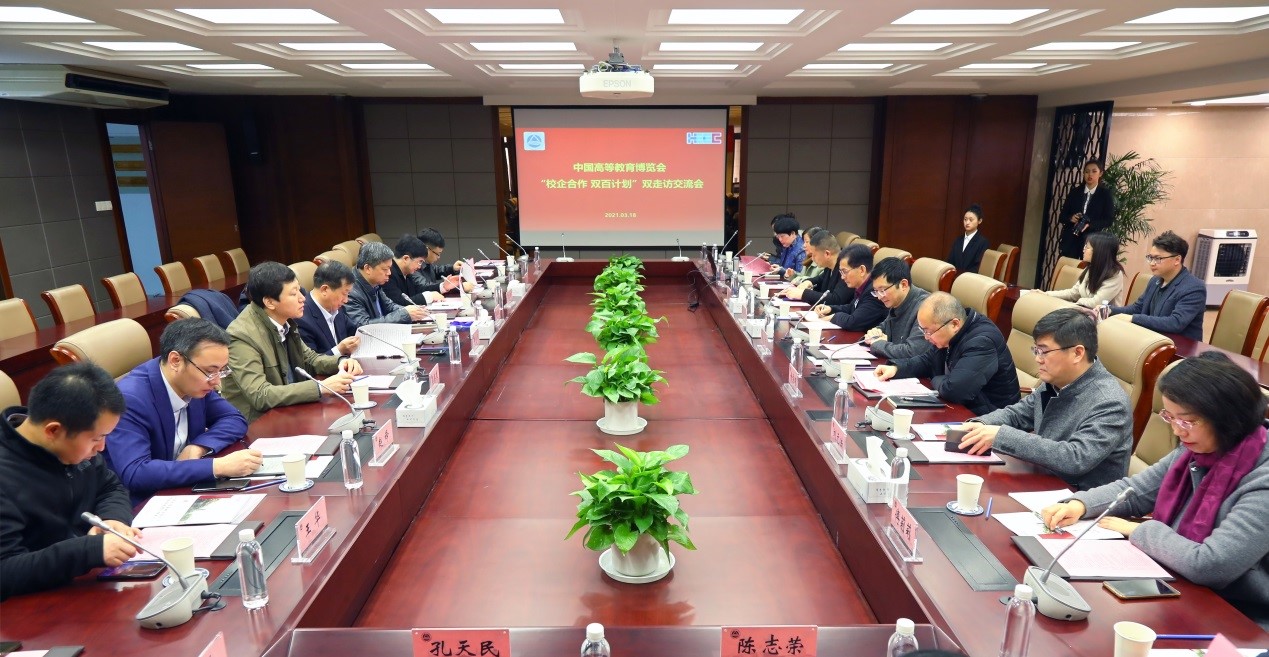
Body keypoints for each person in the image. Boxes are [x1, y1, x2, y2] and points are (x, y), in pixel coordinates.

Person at [1041, 352, 1269, 629]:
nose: (1178, 431)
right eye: (1170, 417)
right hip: (1178, 582)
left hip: (1242, 617)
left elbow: (1210, 565)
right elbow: (1136, 490)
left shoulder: (1262, 480)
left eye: (1187, 421)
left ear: (1228, 418)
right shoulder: (1198, 449)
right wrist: (1080, 504)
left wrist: (1139, 530)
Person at [1, 363, 138, 600]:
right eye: (96, 438)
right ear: (53, 431)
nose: (101, 447)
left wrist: (112, 519)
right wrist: (89, 551)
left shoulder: (73, 446)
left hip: (83, 584)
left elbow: (109, 487)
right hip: (32, 607)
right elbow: (5, 571)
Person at [958, 309, 1132, 490]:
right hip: (1042, 479)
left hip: (1078, 497)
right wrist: (979, 425)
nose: (1037, 359)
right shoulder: (1058, 380)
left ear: (1077, 353)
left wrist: (1000, 436)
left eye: (1044, 351)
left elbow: (1075, 458)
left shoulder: (1110, 403)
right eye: (1036, 350)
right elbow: (1018, 414)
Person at [104, 319, 259, 504]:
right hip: (144, 502)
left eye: (222, 371)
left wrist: (198, 446)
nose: (217, 382)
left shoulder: (193, 383)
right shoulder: (130, 399)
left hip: (184, 488)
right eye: (211, 371)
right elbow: (136, 472)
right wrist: (216, 466)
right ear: (176, 361)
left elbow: (234, 418)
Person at [220, 261, 363, 422]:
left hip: (290, 410)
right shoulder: (242, 336)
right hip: (258, 423)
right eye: (294, 294)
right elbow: (260, 395)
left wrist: (341, 362)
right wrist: (320, 387)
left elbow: (310, 359)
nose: (303, 298)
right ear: (270, 302)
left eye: (300, 290)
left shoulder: (284, 320)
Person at [875, 292, 1020, 415]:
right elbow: (928, 360)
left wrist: (935, 378)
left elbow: (955, 391)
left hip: (990, 417)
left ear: (954, 324)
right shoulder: (950, 334)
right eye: (923, 330)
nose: (926, 337)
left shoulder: (982, 341)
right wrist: (896, 369)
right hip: (962, 408)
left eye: (929, 331)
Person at [1109, 230, 1206, 341]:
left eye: (1158, 259)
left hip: (1179, 346)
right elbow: (1138, 308)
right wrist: (1110, 310)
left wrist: (1133, 319)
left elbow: (1175, 322)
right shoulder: (1155, 280)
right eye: (1150, 258)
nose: (1152, 263)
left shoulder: (1194, 288)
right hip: (1152, 339)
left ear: (1177, 260)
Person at [345, 241, 430, 328]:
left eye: (389, 268)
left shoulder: (375, 282)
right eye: (385, 269)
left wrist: (411, 311)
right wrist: (405, 314)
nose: (389, 273)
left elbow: (389, 306)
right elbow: (363, 326)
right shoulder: (350, 292)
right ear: (368, 268)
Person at [865, 257, 933, 360]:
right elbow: (884, 327)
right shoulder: (897, 301)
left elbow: (912, 352)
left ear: (903, 285)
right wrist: (873, 333)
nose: (879, 297)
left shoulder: (925, 308)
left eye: (882, 290)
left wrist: (877, 344)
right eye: (876, 291)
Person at [815, 243, 888, 331]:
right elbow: (853, 307)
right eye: (841, 272)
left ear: (862, 270)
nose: (842, 277)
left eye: (845, 271)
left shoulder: (875, 291)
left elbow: (853, 322)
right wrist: (831, 309)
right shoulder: (863, 285)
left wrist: (834, 317)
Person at [1044, 231, 1125, 308]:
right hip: (1082, 311)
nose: (1083, 249)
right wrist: (1046, 294)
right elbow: (1073, 293)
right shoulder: (1090, 268)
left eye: (1087, 247)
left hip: (1102, 316)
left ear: (1099, 251)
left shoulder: (1115, 274)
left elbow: (1096, 303)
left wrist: (1078, 301)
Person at [297, 261, 361, 356]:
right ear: (325, 290)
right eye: (344, 293)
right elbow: (310, 362)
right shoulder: (301, 319)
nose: (346, 300)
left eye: (348, 294)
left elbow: (354, 331)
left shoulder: (336, 307)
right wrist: (339, 350)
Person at [1059, 159, 1116, 259]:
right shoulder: (1075, 192)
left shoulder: (1105, 195)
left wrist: (1090, 224)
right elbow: (1062, 216)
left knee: (1087, 267)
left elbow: (1109, 220)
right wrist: (1071, 218)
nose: (1090, 174)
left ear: (1100, 173)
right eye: (1087, 171)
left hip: (1091, 241)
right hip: (1071, 240)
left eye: (1094, 171)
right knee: (1069, 266)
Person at [783, 230, 850, 307]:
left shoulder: (846, 268)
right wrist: (808, 282)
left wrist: (803, 294)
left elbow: (836, 299)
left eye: (814, 255)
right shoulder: (829, 266)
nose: (812, 259)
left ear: (827, 254)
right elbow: (819, 279)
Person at [382, 234, 443, 306]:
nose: (420, 267)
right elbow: (399, 303)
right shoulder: (388, 274)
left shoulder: (407, 272)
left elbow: (418, 289)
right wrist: (429, 297)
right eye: (420, 262)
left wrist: (443, 286)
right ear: (406, 258)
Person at [414, 228, 473, 296]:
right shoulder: (413, 265)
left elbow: (436, 270)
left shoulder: (426, 262)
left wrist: (452, 268)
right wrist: (459, 287)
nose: (439, 257)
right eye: (438, 254)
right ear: (426, 249)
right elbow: (424, 286)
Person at [945, 204, 990, 274]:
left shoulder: (983, 242)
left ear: (979, 221)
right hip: (954, 277)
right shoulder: (958, 240)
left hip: (970, 278)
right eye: (965, 219)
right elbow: (950, 261)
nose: (967, 222)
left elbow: (978, 267)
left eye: (971, 220)